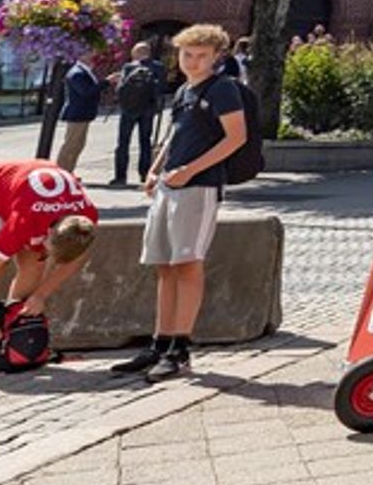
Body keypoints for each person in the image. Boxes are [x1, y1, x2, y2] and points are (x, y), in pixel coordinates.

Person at [113, 24, 248, 381]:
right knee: (165, 265)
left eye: (202, 55)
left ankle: (180, 347)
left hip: (198, 187)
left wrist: (190, 170)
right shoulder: (187, 90)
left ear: (217, 57)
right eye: (188, 54)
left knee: (187, 263)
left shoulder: (223, 88)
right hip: (170, 185)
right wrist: (155, 170)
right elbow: (176, 134)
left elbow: (236, 137)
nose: (193, 61)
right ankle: (160, 341)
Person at [0, 160, 99, 380]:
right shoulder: (25, 222)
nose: (45, 250)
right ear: (48, 232)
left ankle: (13, 331)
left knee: (34, 266)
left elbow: (77, 259)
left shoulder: (86, 219)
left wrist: (41, 295)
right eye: (47, 247)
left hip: (30, 197)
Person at [107, 42, 163, 189]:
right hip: (148, 109)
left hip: (128, 109)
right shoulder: (158, 67)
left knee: (123, 142)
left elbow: (120, 89)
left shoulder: (129, 67)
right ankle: (144, 174)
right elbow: (161, 89)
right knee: (145, 142)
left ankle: (120, 176)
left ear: (135, 53)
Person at [53, 54, 103, 172]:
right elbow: (85, 92)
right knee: (71, 145)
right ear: (81, 56)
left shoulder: (84, 71)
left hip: (83, 113)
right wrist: (105, 83)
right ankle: (61, 171)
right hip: (77, 114)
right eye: (89, 53)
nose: (93, 56)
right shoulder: (77, 73)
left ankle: (69, 170)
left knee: (78, 145)